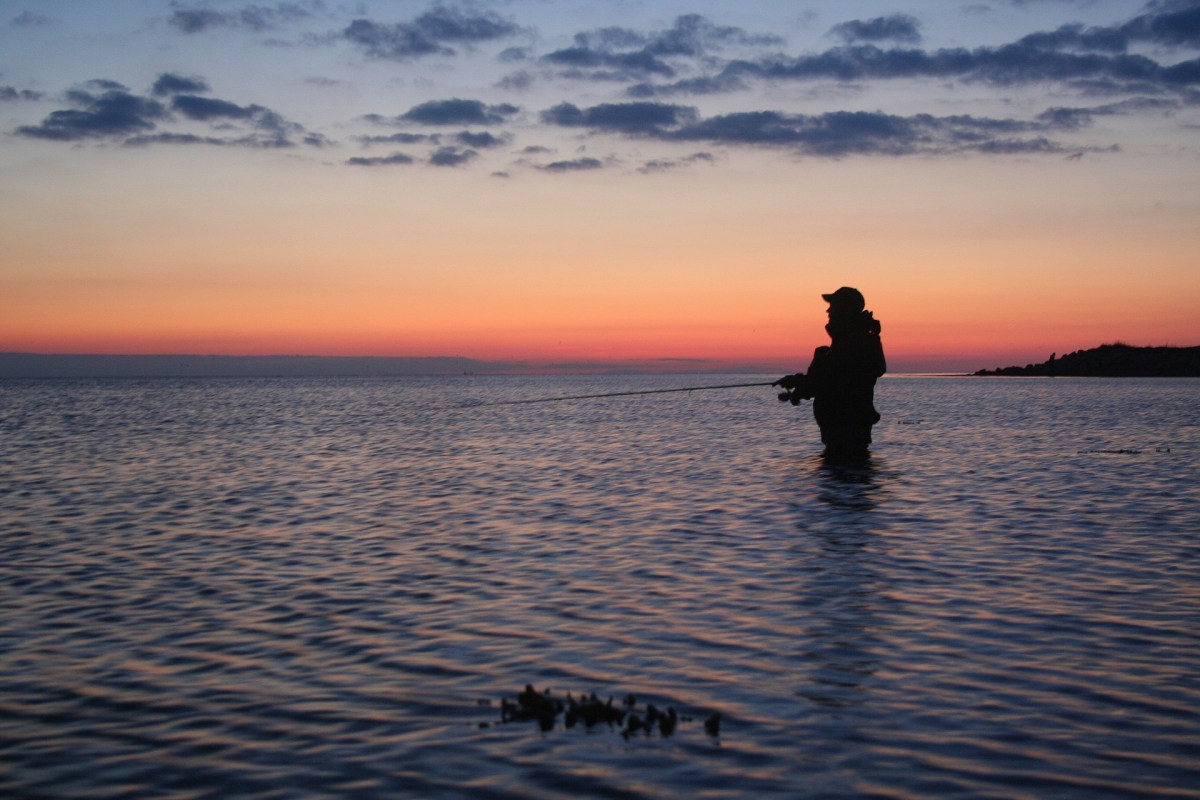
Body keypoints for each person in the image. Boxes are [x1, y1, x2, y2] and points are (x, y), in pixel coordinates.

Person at [774, 287, 886, 457]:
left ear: (845, 309)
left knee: (844, 469)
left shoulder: (853, 342)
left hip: (846, 430)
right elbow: (830, 376)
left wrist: (800, 388)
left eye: (832, 306)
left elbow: (832, 380)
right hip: (845, 430)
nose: (828, 310)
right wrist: (797, 382)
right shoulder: (852, 340)